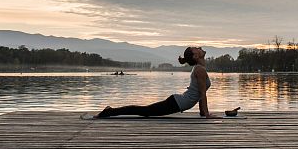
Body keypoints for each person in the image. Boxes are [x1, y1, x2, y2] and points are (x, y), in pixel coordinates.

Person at [96, 46, 233, 118]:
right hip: (176, 102)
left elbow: (199, 93)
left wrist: (203, 113)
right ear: (195, 56)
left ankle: (110, 111)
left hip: (178, 102)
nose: (199, 47)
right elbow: (202, 94)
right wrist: (207, 114)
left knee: (145, 111)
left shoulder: (200, 68)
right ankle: (109, 112)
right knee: (145, 112)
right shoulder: (200, 70)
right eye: (196, 48)